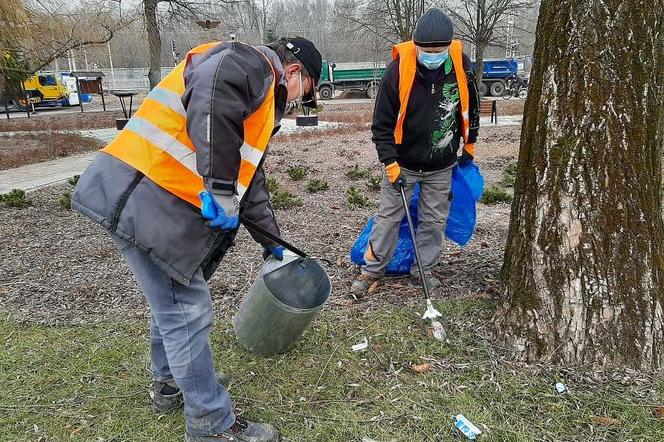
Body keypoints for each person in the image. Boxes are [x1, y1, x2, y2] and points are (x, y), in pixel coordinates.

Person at [72, 37, 321, 442]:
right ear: (294, 73)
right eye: (304, 95)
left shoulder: (257, 96)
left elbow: (250, 179)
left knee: (172, 302)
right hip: (142, 196)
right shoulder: (249, 63)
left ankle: (169, 382)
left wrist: (274, 242)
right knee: (186, 309)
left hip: (141, 197)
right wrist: (220, 187)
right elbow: (214, 88)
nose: (297, 104)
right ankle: (210, 424)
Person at [351, 9, 480, 295]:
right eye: (426, 51)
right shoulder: (397, 71)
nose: (432, 56)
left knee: (434, 222)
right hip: (403, 164)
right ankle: (371, 271)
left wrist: (470, 143)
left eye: (438, 51)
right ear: (416, 46)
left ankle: (424, 270)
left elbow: (472, 106)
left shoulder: (461, 66)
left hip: (441, 165)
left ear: (449, 46)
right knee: (388, 219)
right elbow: (381, 125)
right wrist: (390, 163)